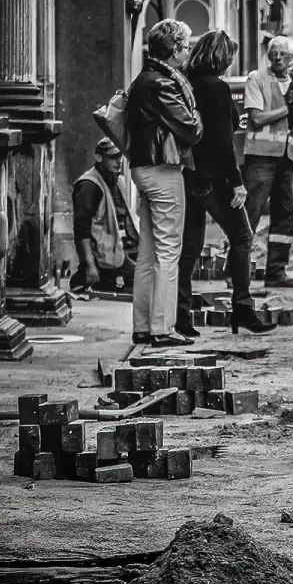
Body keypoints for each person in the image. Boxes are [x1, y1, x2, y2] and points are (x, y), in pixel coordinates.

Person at [175, 30, 276, 337]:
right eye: (229, 57)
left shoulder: (187, 83)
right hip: (213, 178)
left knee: (190, 247)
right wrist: (235, 182)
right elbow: (221, 142)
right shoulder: (216, 88)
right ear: (219, 57)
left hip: (189, 175)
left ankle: (181, 315)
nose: (231, 62)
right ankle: (242, 308)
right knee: (242, 236)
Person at [126, 19, 204, 347]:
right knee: (169, 250)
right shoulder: (163, 83)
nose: (187, 51)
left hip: (143, 168)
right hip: (162, 169)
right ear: (172, 50)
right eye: (185, 46)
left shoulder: (143, 79)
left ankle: (144, 326)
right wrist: (197, 116)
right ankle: (163, 328)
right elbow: (191, 129)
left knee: (148, 252)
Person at [242, 36, 293, 288]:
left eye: (283, 54)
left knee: (284, 215)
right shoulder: (257, 79)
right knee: (251, 213)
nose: (277, 57)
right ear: (268, 56)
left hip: (288, 160)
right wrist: (289, 107)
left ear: (292, 56)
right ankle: (237, 271)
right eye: (273, 53)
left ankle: (275, 272)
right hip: (261, 159)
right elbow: (256, 119)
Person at [70, 138, 138, 293]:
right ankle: (85, 277)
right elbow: (81, 230)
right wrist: (90, 264)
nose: (118, 161)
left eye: (120, 156)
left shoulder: (115, 180)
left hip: (116, 253)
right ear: (99, 158)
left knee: (144, 279)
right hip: (100, 257)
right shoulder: (88, 185)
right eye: (113, 157)